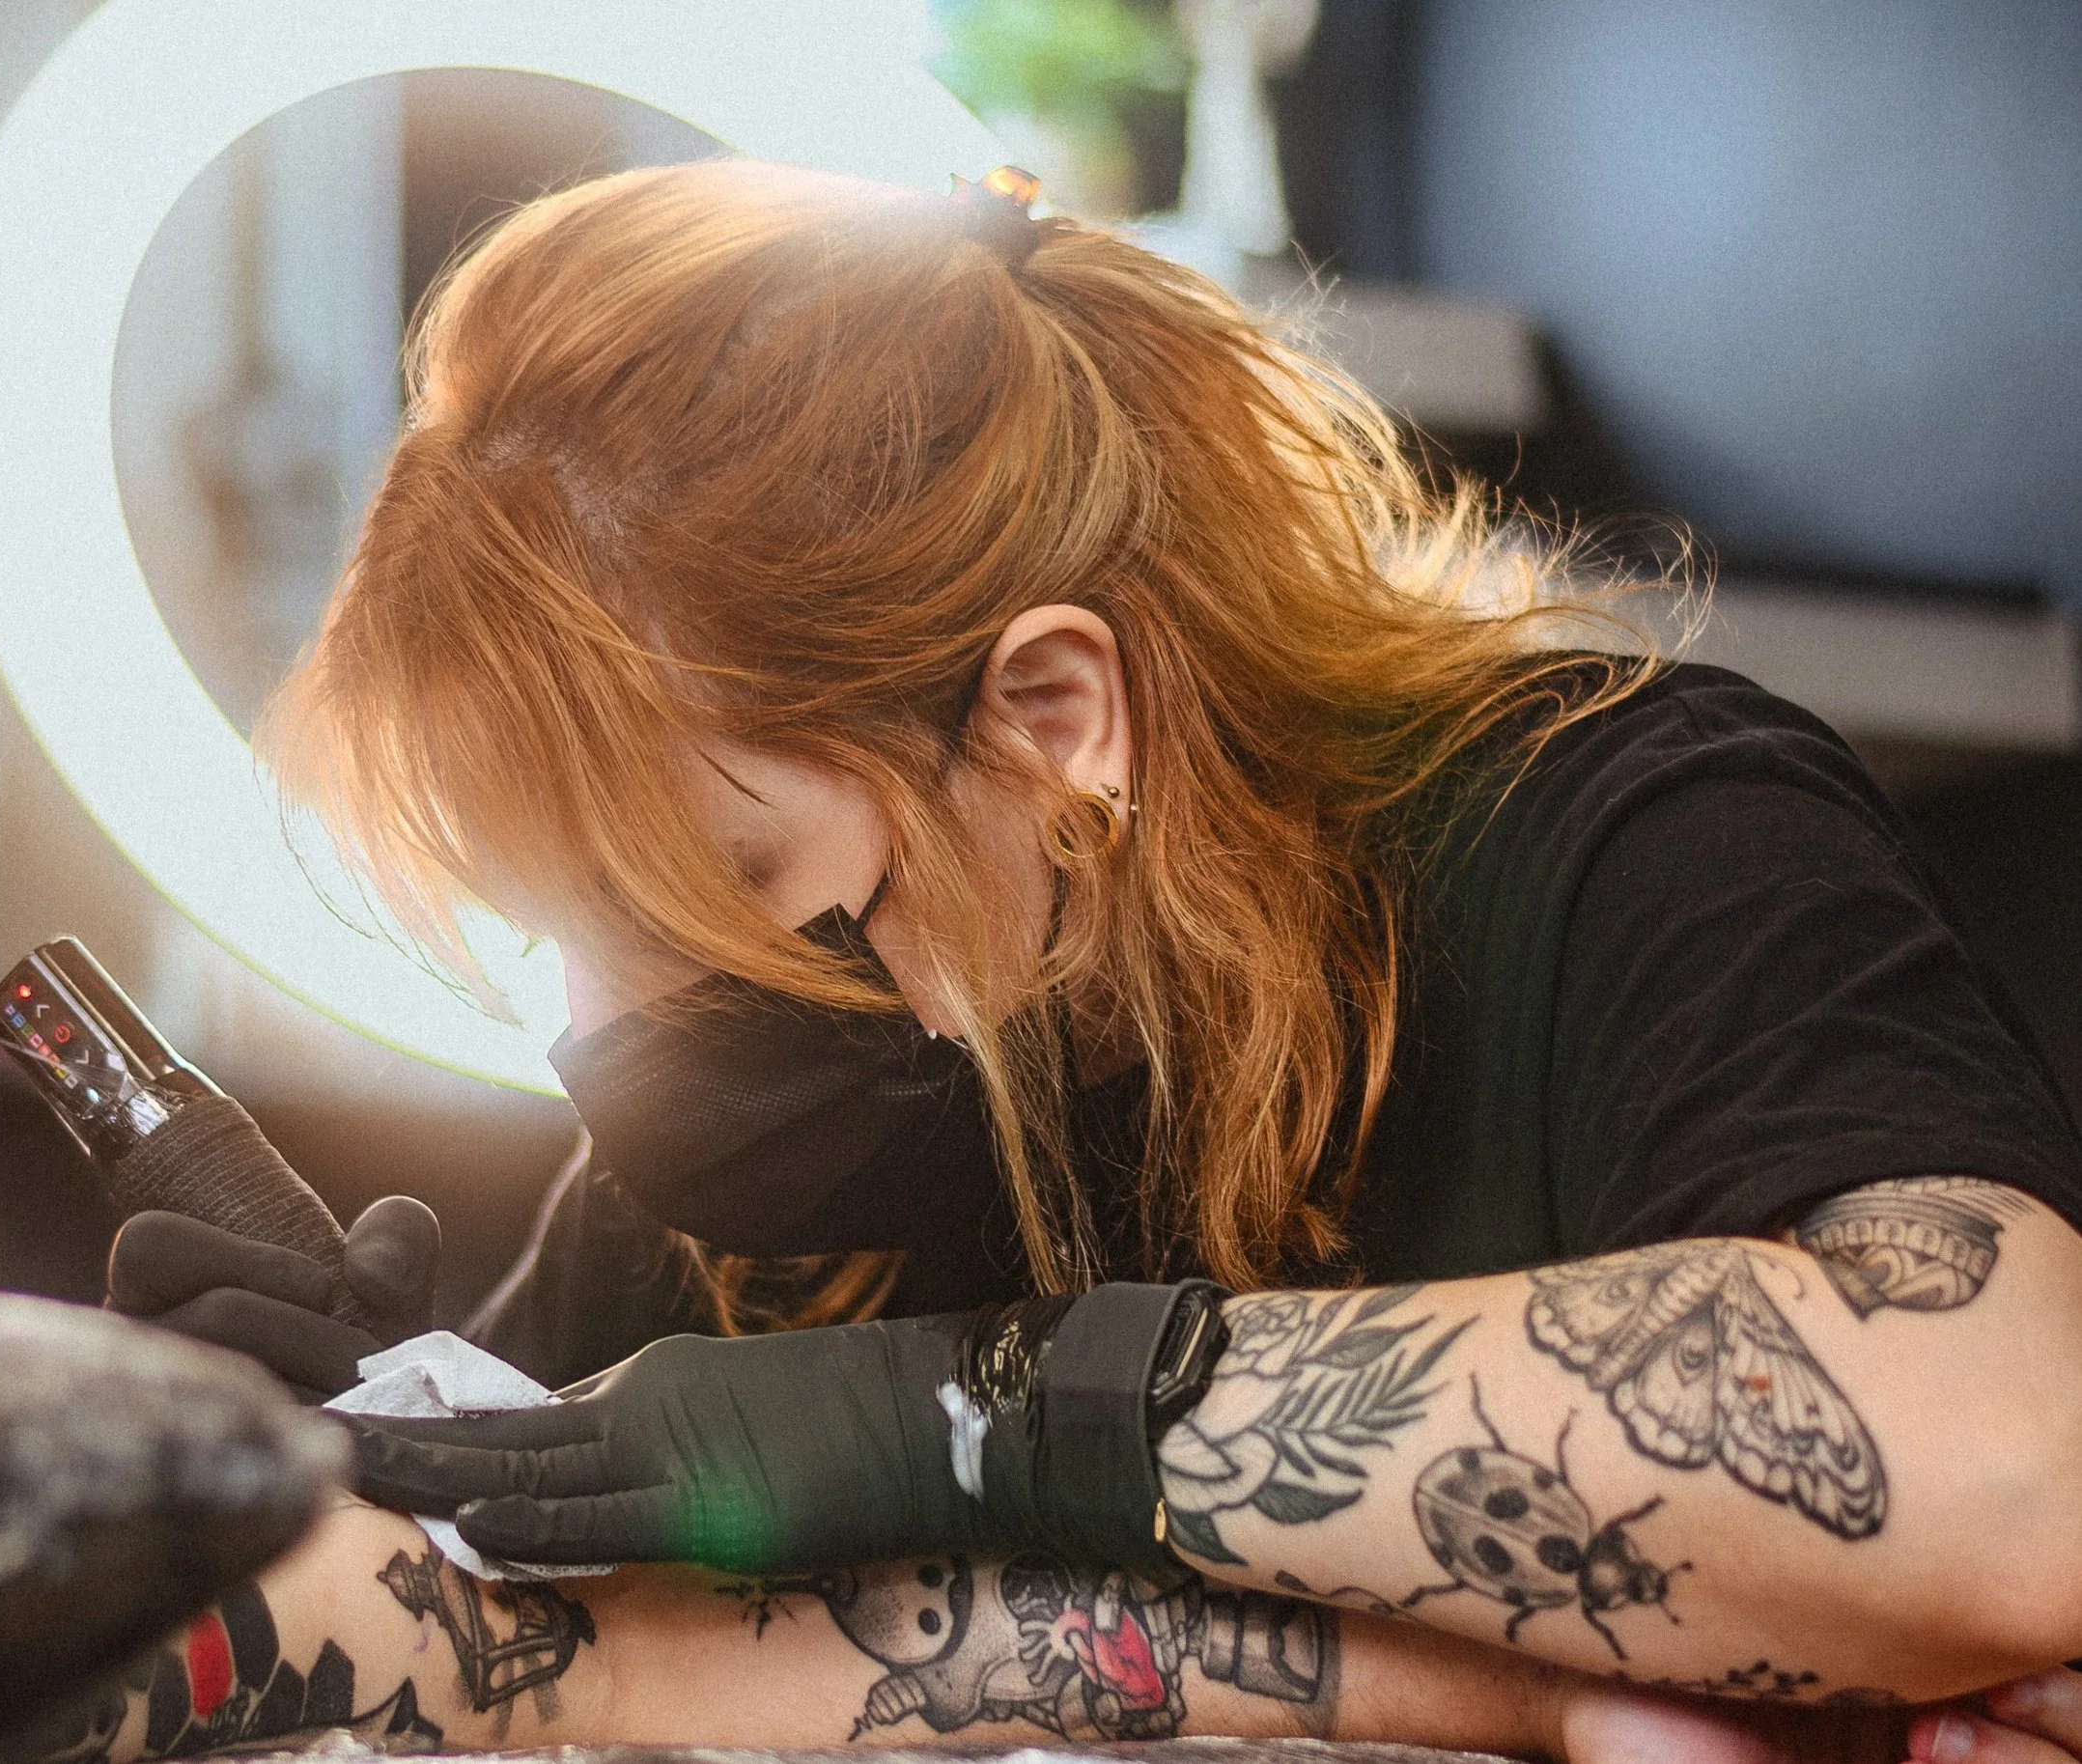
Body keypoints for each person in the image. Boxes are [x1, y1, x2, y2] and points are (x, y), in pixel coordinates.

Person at [102, 158, 2082, 1761]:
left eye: (722, 877)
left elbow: (2001, 1475)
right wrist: (267, 1462)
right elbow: (504, 1655)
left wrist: (990, 1413)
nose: (606, 1036)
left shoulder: (1615, 837)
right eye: (576, 930)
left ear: (1053, 716)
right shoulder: (763, 1171)